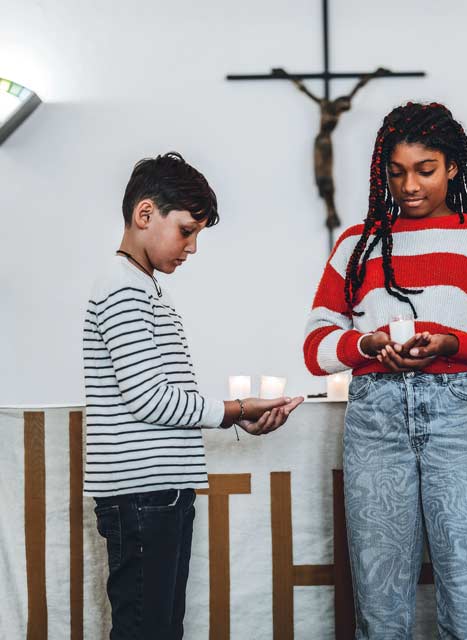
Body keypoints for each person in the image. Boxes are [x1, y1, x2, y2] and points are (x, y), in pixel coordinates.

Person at [304, 102, 467, 639]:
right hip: (376, 421)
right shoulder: (356, 245)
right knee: (380, 606)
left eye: (425, 169)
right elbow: (316, 348)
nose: (409, 186)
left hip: (461, 419)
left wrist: (454, 343)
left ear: (453, 167)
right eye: (395, 172)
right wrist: (367, 345)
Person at [83, 152, 303, 639]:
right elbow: (149, 398)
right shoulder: (122, 288)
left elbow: (163, 395)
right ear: (145, 214)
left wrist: (238, 417)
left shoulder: (143, 289)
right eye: (186, 231)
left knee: (163, 629)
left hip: (161, 491)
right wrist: (235, 409)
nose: (193, 247)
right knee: (146, 631)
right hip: (143, 495)